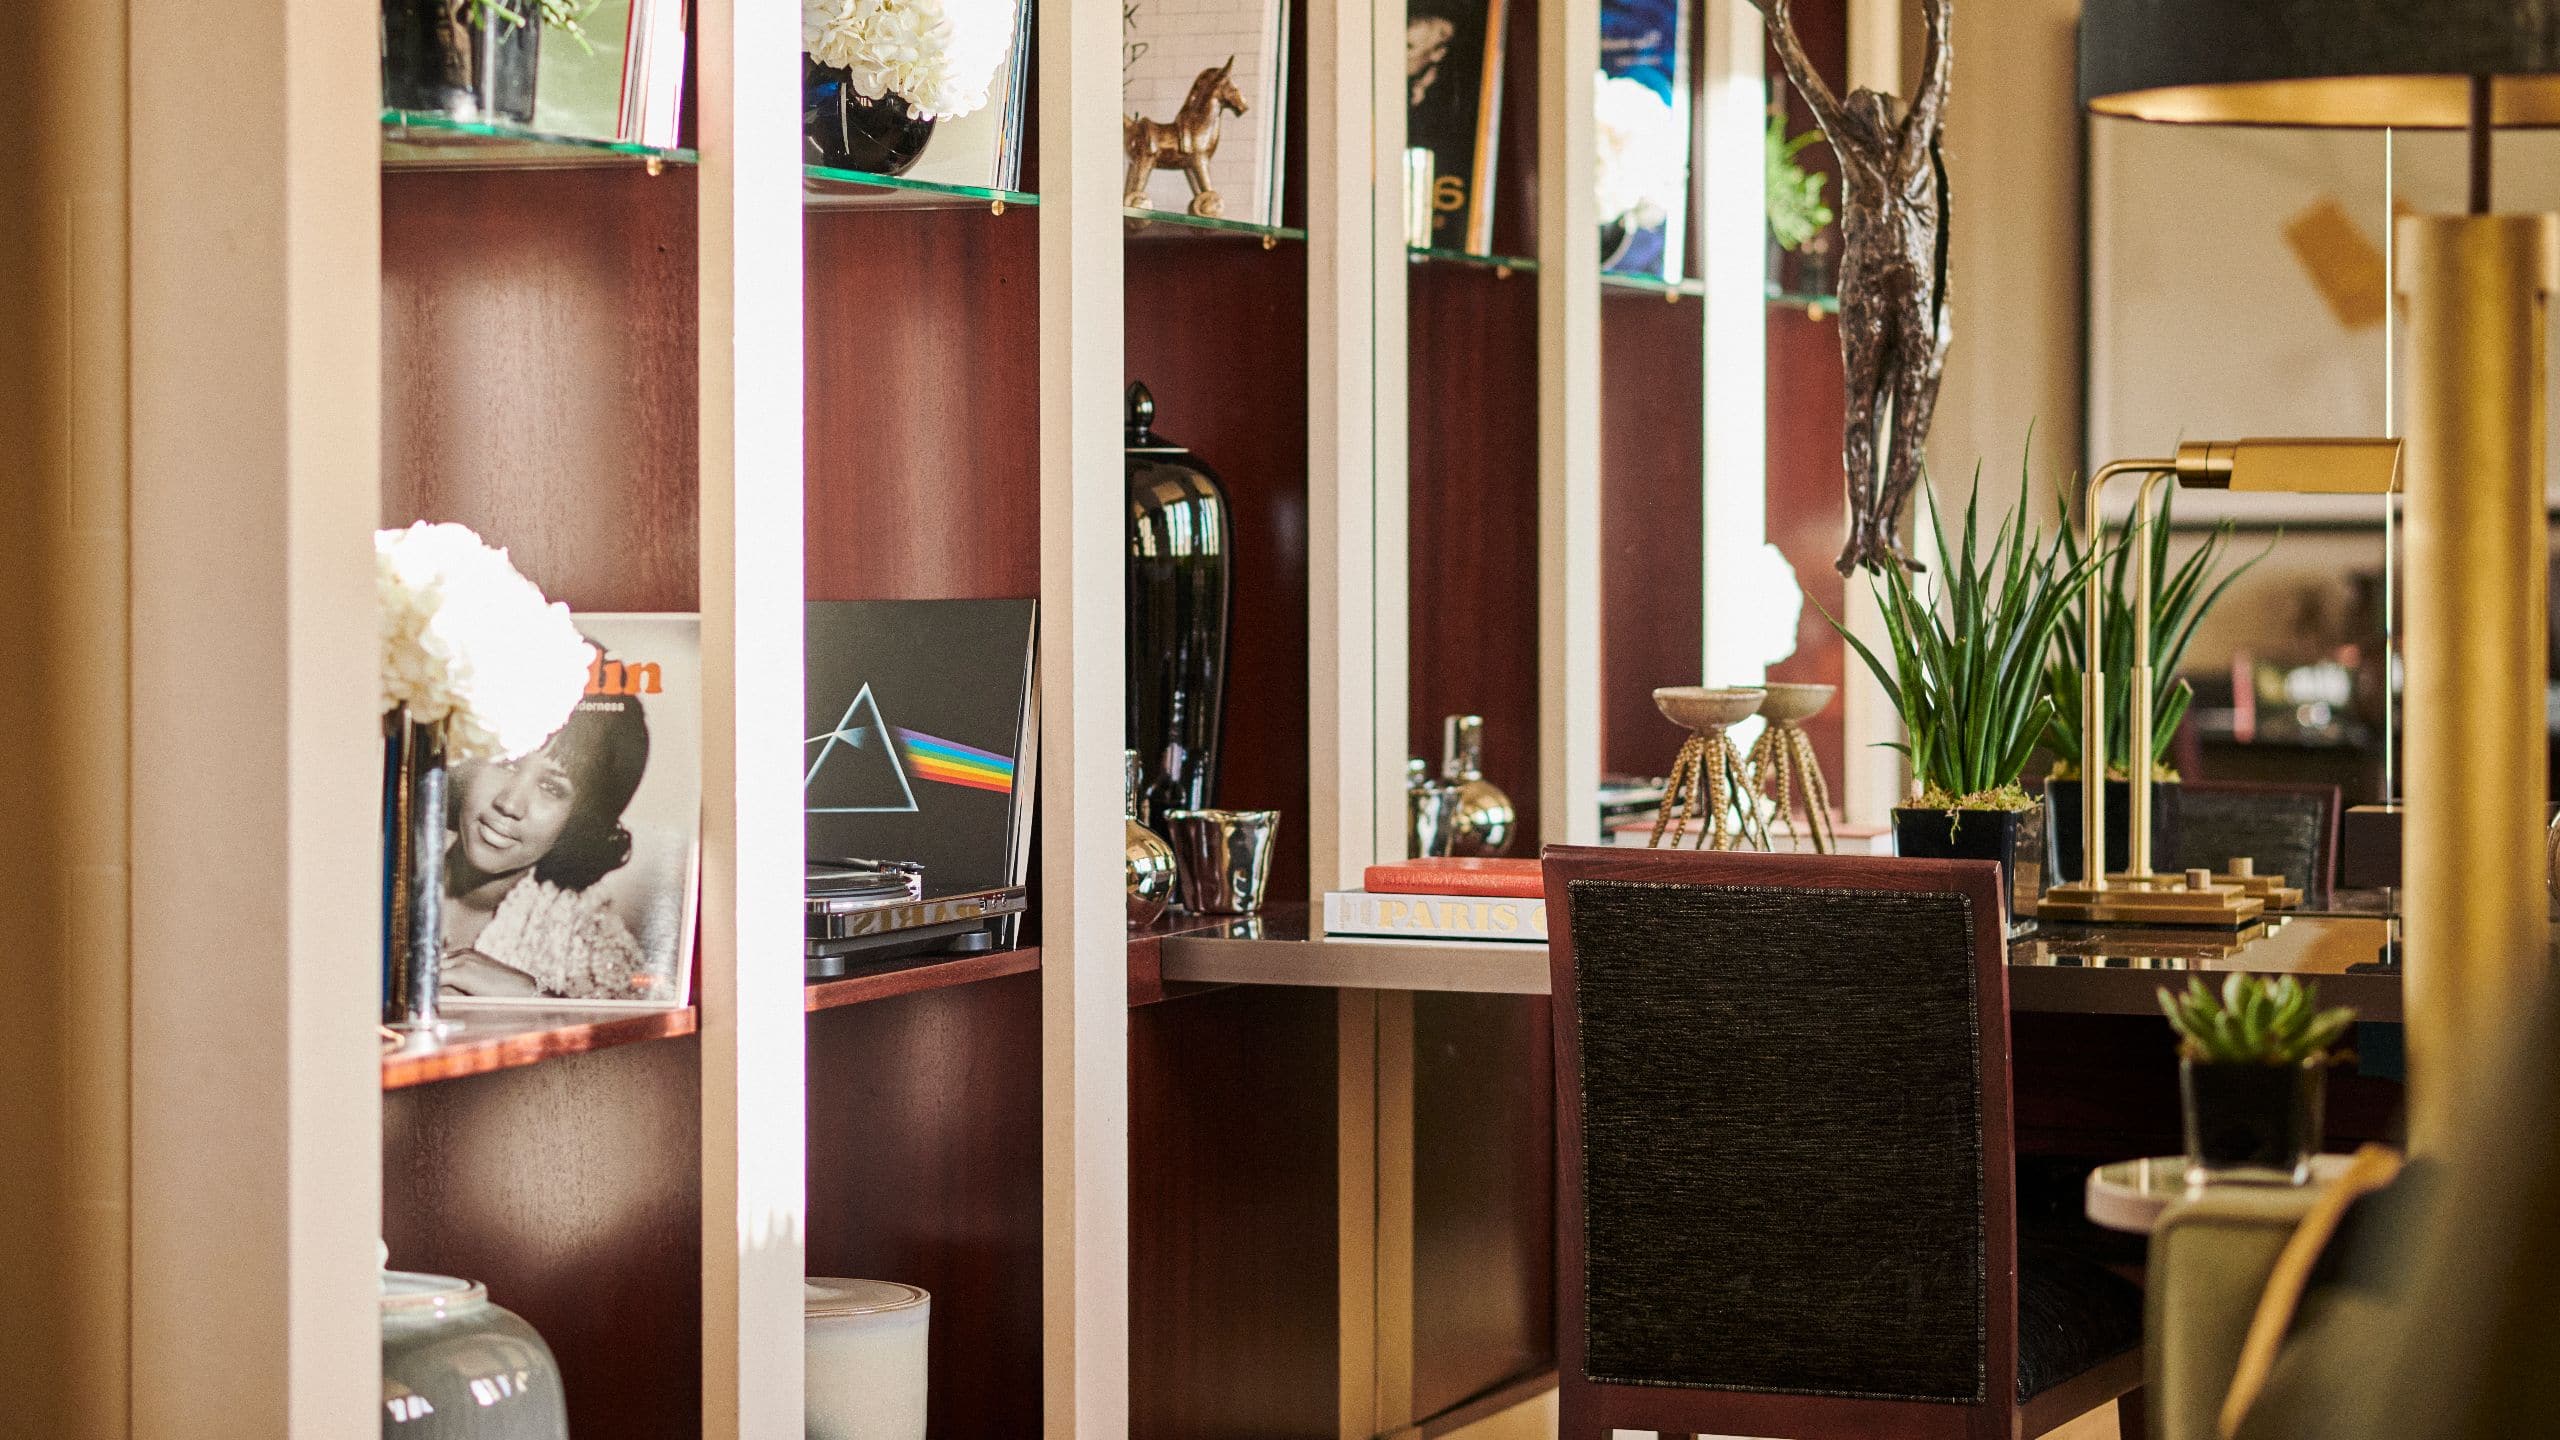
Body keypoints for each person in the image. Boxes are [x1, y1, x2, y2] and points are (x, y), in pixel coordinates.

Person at [1761, 0, 1951, 576]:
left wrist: (1940, 22)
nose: (1864, 103)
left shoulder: (1912, 158)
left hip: (1916, 296)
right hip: (1867, 290)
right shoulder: (1857, 160)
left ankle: (1887, 527)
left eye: (1873, 105)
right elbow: (1813, 91)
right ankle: (1862, 528)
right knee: (1862, 410)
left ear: (1890, 121)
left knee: (1911, 419)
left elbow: (1935, 84)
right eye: (1858, 107)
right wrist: (1781, 27)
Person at [440, 685, 659, 1001]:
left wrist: (531, 997)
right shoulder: (378, 853)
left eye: (551, 788)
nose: (510, 804)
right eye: (507, 762)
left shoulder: (585, 936)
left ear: (582, 818)